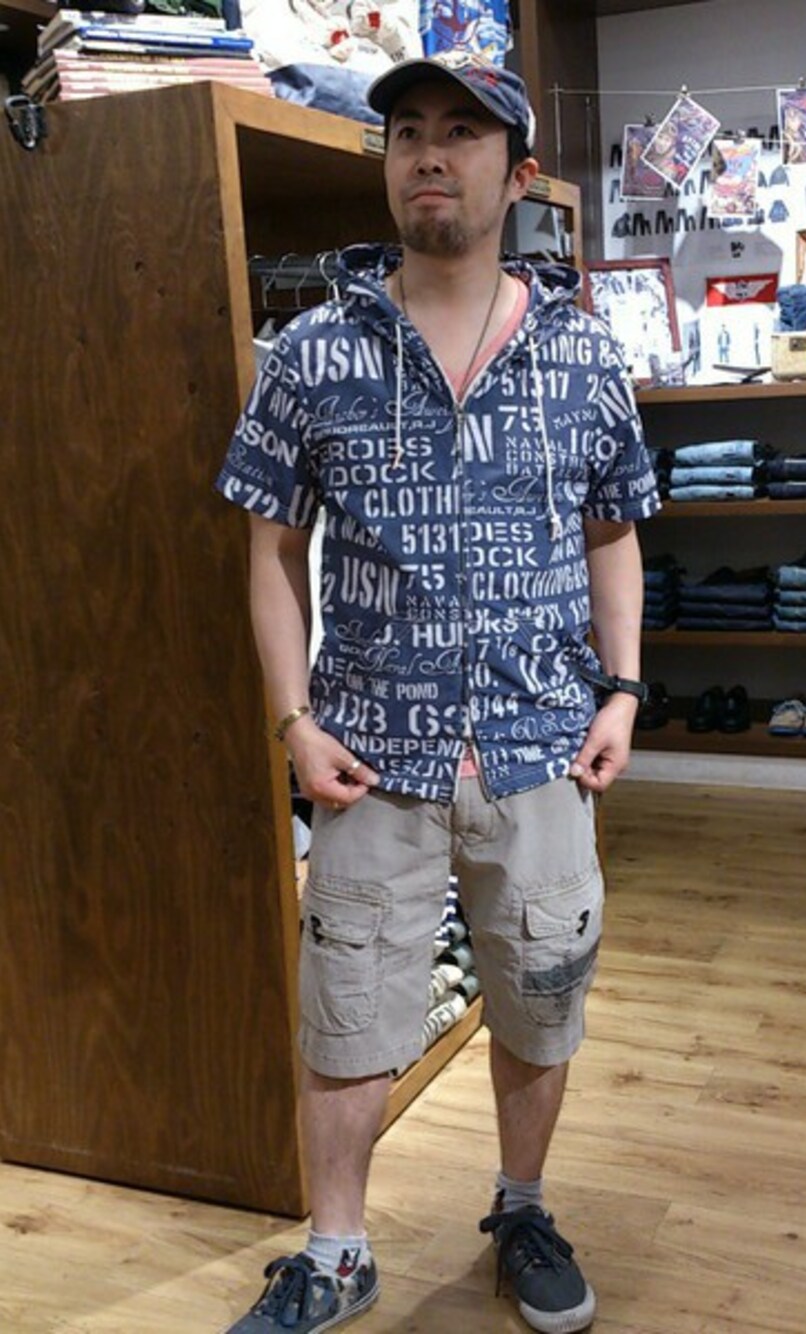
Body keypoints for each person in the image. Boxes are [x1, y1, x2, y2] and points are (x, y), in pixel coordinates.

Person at [216, 52, 660, 1334]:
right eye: (407, 129)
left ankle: (522, 1206)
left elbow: (613, 531)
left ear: (517, 175)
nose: (428, 151)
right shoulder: (313, 352)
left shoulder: (581, 352)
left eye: (462, 132)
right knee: (347, 1010)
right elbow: (269, 551)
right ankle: (337, 1249)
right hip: (370, 751)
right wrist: (293, 722)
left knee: (539, 990)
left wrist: (623, 691)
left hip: (542, 743)